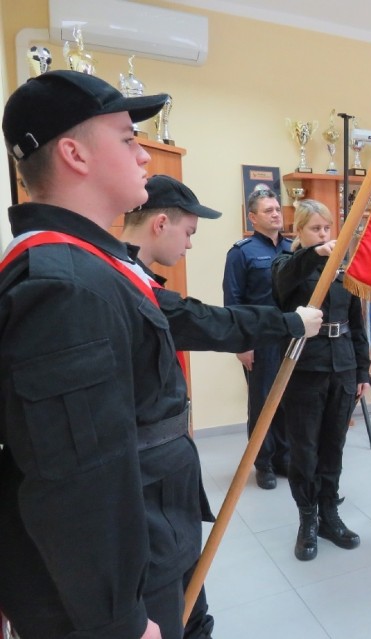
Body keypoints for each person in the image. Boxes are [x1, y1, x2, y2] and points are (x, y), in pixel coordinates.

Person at [0, 70, 179, 639]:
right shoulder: (67, 287)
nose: (144, 155)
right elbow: (79, 479)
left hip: (138, 553)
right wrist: (120, 621)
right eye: (128, 138)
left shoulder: (87, 264)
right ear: (75, 154)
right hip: (96, 599)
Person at [122, 174, 323, 638]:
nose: (191, 244)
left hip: (165, 472)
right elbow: (206, 318)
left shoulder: (131, 272)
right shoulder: (122, 278)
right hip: (146, 477)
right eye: (189, 233)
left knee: (190, 598)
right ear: (160, 224)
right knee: (171, 600)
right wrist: (288, 322)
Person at [271, 199, 370, 562]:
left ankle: (329, 514)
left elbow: (357, 324)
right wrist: (315, 253)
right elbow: (283, 284)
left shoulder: (344, 267)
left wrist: (361, 371)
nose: (324, 235)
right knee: (304, 450)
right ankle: (307, 520)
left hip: (341, 365)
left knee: (333, 446)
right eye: (315, 228)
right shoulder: (287, 264)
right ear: (298, 231)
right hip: (305, 370)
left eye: (327, 228)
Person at [223, 187, 292, 490]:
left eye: (278, 209)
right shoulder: (242, 252)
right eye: (268, 210)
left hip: (290, 337)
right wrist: (241, 344)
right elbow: (233, 301)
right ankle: (263, 462)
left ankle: (284, 457)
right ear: (252, 217)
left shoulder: (293, 249)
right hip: (260, 340)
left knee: (289, 401)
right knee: (263, 401)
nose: (276, 214)